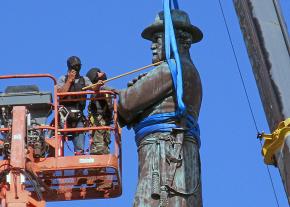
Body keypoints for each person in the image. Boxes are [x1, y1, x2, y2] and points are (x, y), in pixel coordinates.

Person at [117, 10, 203, 206]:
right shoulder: (187, 72)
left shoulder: (172, 69)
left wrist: (124, 93)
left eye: (158, 38)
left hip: (164, 154)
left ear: (177, 39)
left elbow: (126, 103)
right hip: (176, 153)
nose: (152, 46)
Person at [57, 56, 95, 155]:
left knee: (80, 131)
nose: (77, 68)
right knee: (58, 133)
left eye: (78, 66)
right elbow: (60, 95)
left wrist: (98, 85)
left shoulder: (84, 80)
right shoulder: (62, 79)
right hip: (64, 115)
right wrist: (69, 81)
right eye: (75, 66)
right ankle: (57, 153)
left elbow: (93, 87)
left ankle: (79, 153)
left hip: (78, 114)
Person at [86, 68, 113, 155]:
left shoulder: (103, 90)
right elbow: (98, 90)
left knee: (104, 148)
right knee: (98, 150)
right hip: (99, 123)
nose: (102, 73)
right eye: (99, 73)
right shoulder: (99, 91)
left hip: (104, 124)